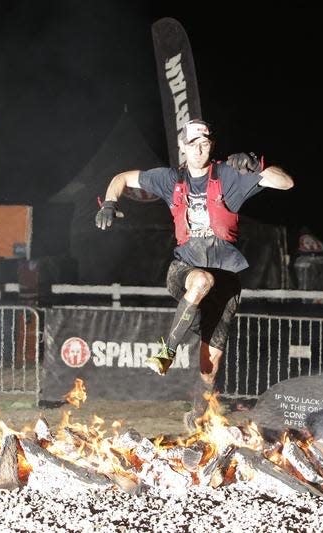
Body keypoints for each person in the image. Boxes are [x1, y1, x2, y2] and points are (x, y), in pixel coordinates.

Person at [94, 118, 294, 429]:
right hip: (185, 270)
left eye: (204, 143)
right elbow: (122, 177)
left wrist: (255, 167)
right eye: (192, 144)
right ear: (183, 148)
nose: (199, 149)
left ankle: (199, 412)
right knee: (201, 279)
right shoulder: (170, 179)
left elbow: (286, 183)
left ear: (210, 145)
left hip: (226, 283)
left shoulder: (229, 175)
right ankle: (167, 351)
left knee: (209, 365)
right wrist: (108, 203)